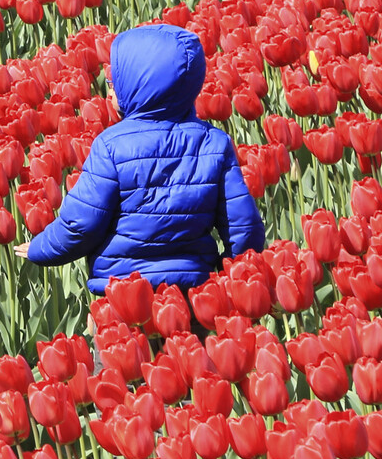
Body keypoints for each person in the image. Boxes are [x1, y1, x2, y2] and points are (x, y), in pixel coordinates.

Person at [13, 22, 264, 292]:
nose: (109, 90)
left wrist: (40, 248)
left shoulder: (111, 146)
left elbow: (81, 225)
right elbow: (243, 226)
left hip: (123, 293)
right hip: (193, 293)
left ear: (139, 86)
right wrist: (234, 277)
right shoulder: (214, 142)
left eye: (116, 82)